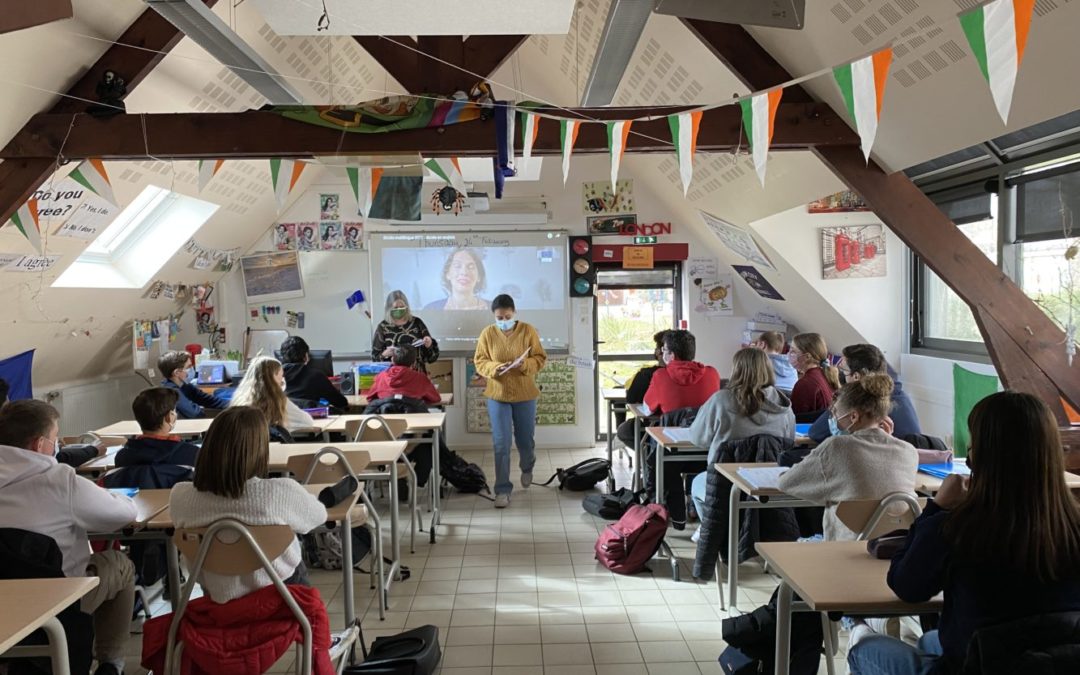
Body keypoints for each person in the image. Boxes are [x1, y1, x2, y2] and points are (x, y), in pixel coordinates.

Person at [848, 392, 1080, 675]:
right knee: (928, 639)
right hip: (1049, 663)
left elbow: (906, 586)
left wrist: (936, 508)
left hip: (976, 665)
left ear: (978, 456)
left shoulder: (959, 528)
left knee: (862, 648)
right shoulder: (1072, 526)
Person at [0, 399, 138, 675]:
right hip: (59, 598)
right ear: (40, 445)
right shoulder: (60, 480)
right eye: (55, 438)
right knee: (120, 564)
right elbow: (123, 514)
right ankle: (111, 663)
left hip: (5, 602)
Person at [169, 406, 328, 603]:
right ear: (260, 450)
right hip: (283, 600)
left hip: (217, 602)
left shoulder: (180, 496)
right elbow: (318, 516)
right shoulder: (279, 492)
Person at [777, 374, 918, 541]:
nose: (833, 419)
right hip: (895, 548)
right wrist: (887, 439)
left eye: (835, 413)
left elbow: (786, 483)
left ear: (853, 417)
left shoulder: (836, 446)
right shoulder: (908, 451)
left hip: (846, 547)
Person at [688, 348, 795, 529]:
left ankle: (715, 532)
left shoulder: (721, 400)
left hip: (724, 483)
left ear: (736, 369)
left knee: (696, 483)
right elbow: (788, 442)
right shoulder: (784, 405)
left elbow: (698, 438)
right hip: (768, 482)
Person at [472, 294, 548, 508]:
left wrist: (524, 365)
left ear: (514, 313)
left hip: (525, 395)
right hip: (497, 395)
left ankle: (527, 466)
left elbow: (540, 358)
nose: (503, 320)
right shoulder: (487, 333)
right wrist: (494, 368)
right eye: (499, 317)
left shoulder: (527, 330)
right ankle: (503, 489)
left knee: (525, 440)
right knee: (501, 443)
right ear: (493, 315)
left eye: (507, 316)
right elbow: (480, 361)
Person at [808, 343, 922, 443]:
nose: (840, 375)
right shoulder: (900, 395)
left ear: (856, 377)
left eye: (843, 370)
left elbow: (816, 433)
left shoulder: (861, 401)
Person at [108, 387, 199, 489]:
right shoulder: (193, 454)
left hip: (138, 504)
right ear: (169, 417)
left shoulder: (123, 456)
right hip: (178, 504)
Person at [230, 356, 315, 440]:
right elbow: (307, 421)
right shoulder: (277, 399)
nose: (282, 380)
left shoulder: (240, 398)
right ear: (273, 377)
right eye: (281, 376)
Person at [642, 329, 720, 416]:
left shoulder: (660, 376)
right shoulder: (712, 373)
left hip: (671, 428)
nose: (662, 352)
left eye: (664, 349)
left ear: (672, 355)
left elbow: (647, 410)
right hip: (706, 428)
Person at [614, 330, 670, 448]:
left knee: (624, 430)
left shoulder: (648, 374)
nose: (655, 351)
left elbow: (631, 400)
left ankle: (647, 457)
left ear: (661, 352)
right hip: (686, 429)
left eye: (656, 348)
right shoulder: (705, 374)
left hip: (654, 428)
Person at [371, 290, 440, 374]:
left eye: (402, 307)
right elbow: (375, 359)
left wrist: (429, 345)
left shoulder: (417, 323)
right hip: (393, 378)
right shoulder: (383, 327)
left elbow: (431, 358)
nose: (399, 310)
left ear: (406, 307)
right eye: (395, 307)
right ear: (389, 308)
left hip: (416, 377)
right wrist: (385, 354)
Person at [279, 336, 349, 413]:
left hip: (280, 422)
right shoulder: (315, 376)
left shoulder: (272, 376)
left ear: (281, 357)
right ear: (306, 356)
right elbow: (341, 402)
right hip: (312, 421)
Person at [158, 350, 224, 419]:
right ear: (177, 373)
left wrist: (233, 404)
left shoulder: (183, 385)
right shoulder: (170, 392)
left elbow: (207, 399)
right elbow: (194, 414)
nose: (192, 369)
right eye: (188, 367)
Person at [368, 345, 442, 405]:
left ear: (392, 360)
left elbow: (370, 398)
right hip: (414, 420)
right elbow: (435, 398)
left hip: (387, 421)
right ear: (414, 363)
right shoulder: (420, 378)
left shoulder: (381, 376)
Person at [788, 332, 840, 415]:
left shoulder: (805, 383)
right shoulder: (823, 373)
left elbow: (793, 418)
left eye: (793, 351)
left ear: (807, 357)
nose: (789, 354)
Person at [424, 248, 489, 310]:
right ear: (448, 274)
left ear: (479, 277)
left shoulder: (495, 308)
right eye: (457, 266)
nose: (464, 272)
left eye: (471, 267)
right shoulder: (430, 309)